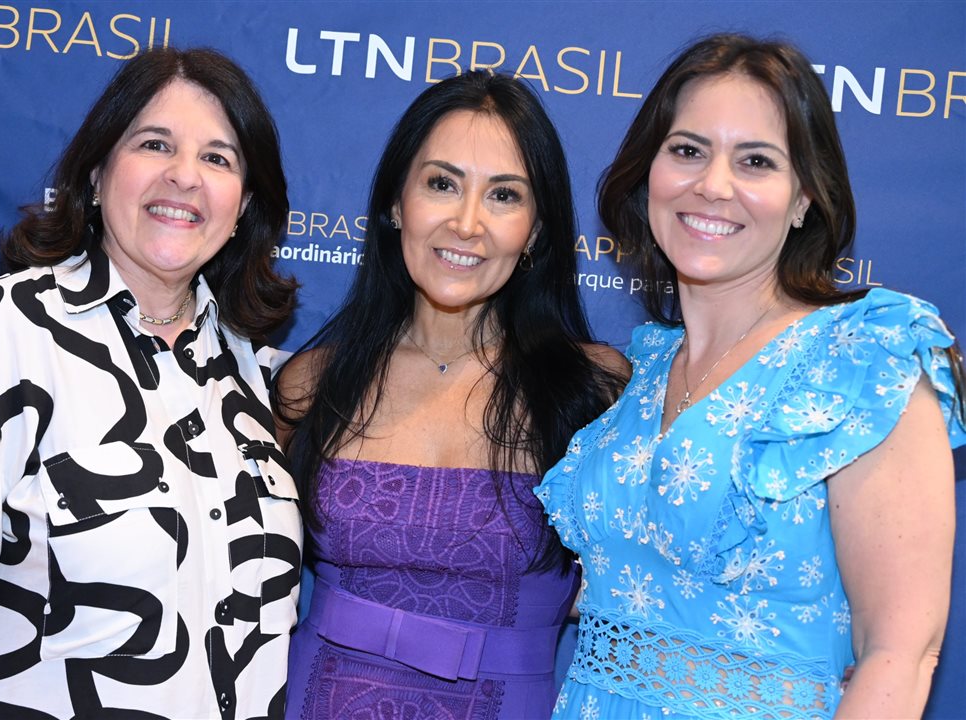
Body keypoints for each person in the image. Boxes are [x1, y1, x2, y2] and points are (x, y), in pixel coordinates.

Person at [0, 47, 302, 718]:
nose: (184, 177)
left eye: (218, 158)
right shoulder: (3, 333)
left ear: (244, 206)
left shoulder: (247, 374)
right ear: (95, 174)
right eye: (155, 144)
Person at [536, 33, 965, 719]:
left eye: (757, 161)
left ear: (804, 199)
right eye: (687, 150)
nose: (713, 184)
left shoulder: (862, 360)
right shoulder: (642, 370)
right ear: (648, 172)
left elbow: (900, 651)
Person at [275, 71, 628, 720]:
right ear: (394, 202)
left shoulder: (596, 394)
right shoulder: (309, 384)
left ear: (538, 230)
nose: (467, 223)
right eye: (442, 184)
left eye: (504, 195)